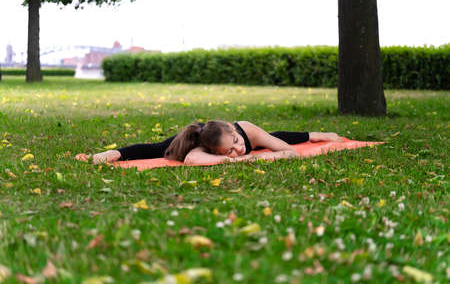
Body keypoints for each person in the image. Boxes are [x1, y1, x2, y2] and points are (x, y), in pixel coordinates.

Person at [75, 120, 343, 165]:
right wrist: (246, 159)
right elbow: (192, 161)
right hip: (192, 142)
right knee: (158, 149)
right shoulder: (199, 147)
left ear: (232, 129)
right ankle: (110, 153)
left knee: (270, 137)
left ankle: (315, 134)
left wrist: (254, 152)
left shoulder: (245, 131)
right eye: (230, 151)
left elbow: (286, 150)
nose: (238, 149)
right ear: (215, 151)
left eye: (236, 142)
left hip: (252, 134)